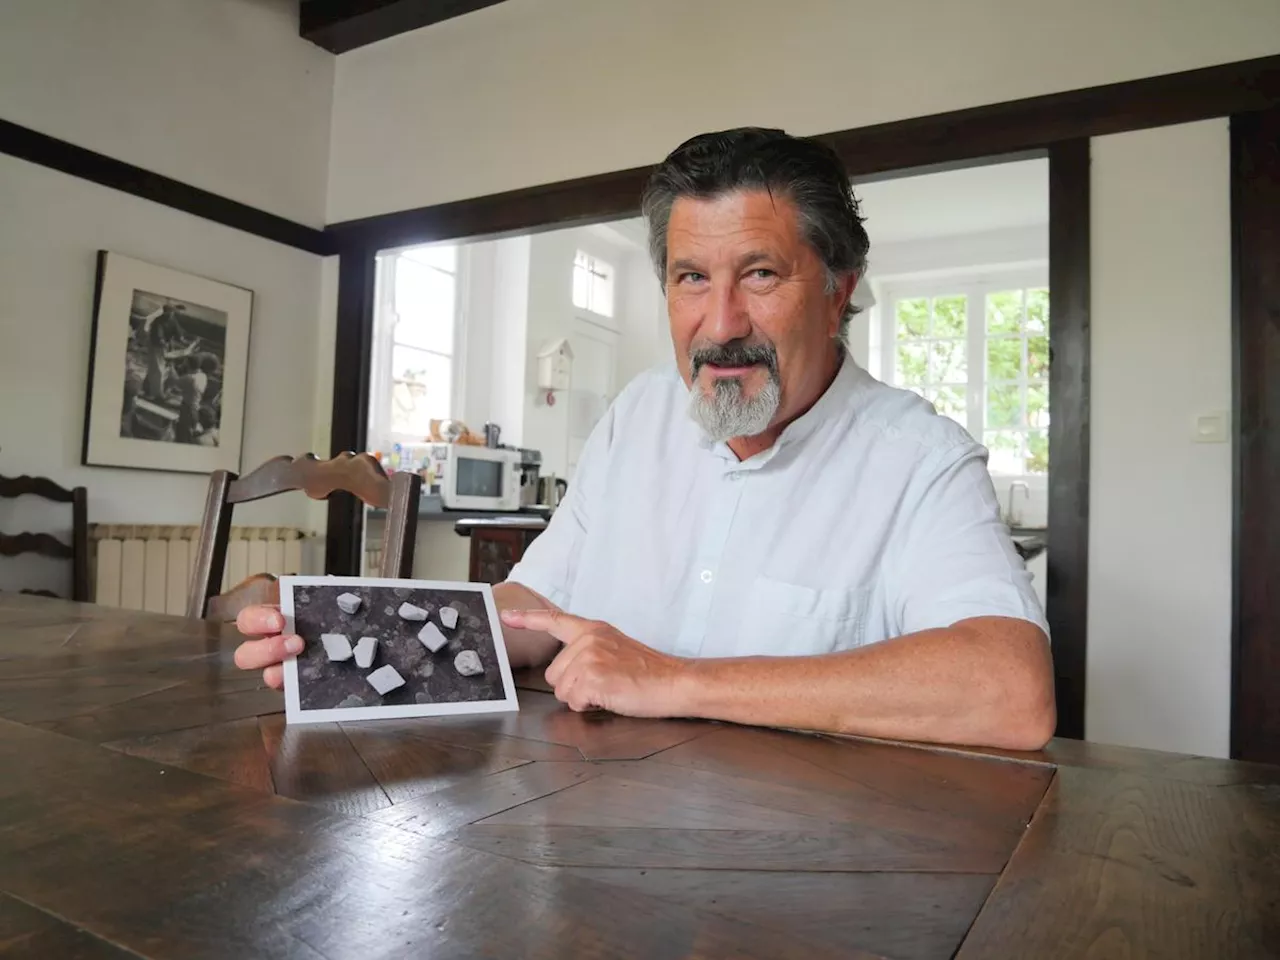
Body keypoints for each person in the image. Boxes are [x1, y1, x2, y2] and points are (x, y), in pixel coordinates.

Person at [235, 128, 1055, 750]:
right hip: (590, 832)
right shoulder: (638, 414)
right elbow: (536, 609)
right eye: (692, 278)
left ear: (839, 293)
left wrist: (674, 679)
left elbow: (1011, 692)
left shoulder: (920, 459)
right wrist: (365, 639)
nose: (721, 323)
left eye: (761, 275)